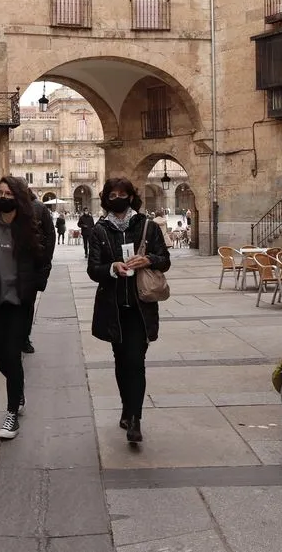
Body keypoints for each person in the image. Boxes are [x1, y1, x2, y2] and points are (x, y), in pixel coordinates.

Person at [87, 177, 171, 444]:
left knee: (136, 362)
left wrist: (148, 259)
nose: (118, 199)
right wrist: (112, 268)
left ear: (131, 197)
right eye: (112, 195)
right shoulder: (99, 231)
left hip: (140, 309)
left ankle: (135, 418)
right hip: (113, 308)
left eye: (122, 194)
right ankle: (126, 407)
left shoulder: (147, 226)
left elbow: (165, 260)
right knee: (121, 362)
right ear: (106, 199)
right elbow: (93, 269)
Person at [0, 177, 51, 439]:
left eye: (8, 193)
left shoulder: (29, 226)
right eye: (0, 193)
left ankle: (11, 414)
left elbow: (43, 258)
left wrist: (36, 284)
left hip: (20, 300)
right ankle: (18, 388)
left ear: (18, 197)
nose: (3, 197)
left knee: (13, 353)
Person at [23, 189, 56, 354]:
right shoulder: (10, 206)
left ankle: (24, 337)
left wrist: (45, 260)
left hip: (33, 265)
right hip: (14, 265)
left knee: (28, 303)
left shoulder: (39, 208)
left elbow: (50, 234)